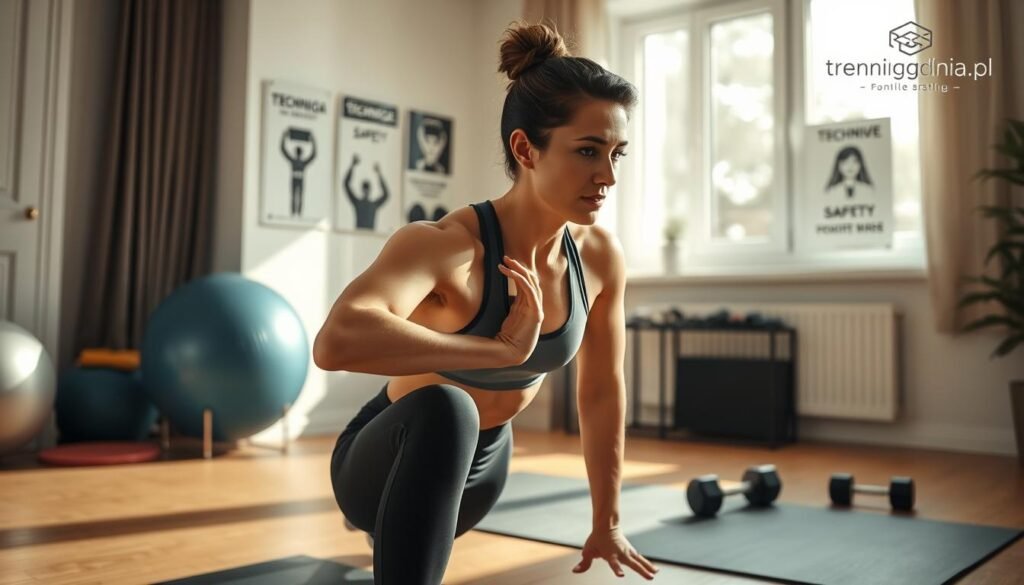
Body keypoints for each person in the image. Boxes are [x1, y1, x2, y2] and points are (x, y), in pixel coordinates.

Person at [313, 22, 658, 585]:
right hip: (384, 458)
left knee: (468, 431)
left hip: (485, 469)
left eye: (617, 153)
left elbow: (600, 391)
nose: (608, 176)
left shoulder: (597, 258)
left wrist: (607, 522)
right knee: (450, 408)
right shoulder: (445, 246)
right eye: (589, 151)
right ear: (526, 148)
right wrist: (495, 350)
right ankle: (384, 524)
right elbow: (336, 341)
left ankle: (396, 532)